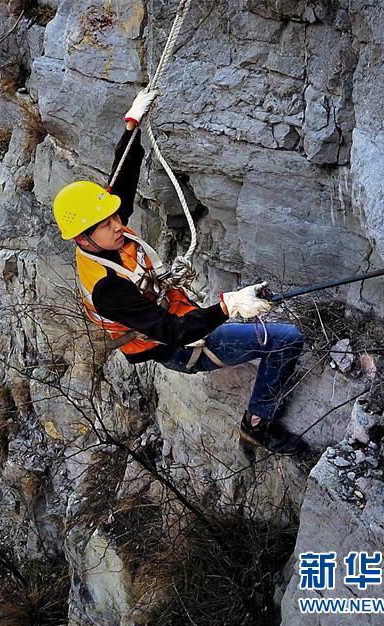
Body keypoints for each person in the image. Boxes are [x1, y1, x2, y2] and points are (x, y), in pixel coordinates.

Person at [52, 89, 307, 455]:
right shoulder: (107, 289)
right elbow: (172, 332)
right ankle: (257, 425)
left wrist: (132, 124)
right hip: (173, 345)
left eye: (114, 216)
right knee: (287, 339)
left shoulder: (102, 230)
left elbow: (121, 176)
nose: (119, 224)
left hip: (176, 312)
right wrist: (226, 307)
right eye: (107, 223)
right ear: (83, 237)